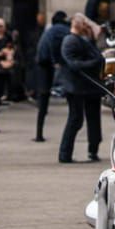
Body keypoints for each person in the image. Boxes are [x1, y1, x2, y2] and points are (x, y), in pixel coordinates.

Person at [57, 13, 104, 164]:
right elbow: (74, 64)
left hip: (87, 86)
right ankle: (65, 154)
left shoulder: (82, 39)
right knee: (76, 119)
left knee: (90, 119)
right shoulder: (71, 40)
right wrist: (95, 61)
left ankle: (91, 150)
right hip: (77, 86)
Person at [33, 10, 70, 142]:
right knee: (46, 96)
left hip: (42, 63)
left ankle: (39, 133)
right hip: (47, 64)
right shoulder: (61, 29)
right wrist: (57, 61)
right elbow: (55, 44)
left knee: (43, 98)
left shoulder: (51, 29)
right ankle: (39, 134)